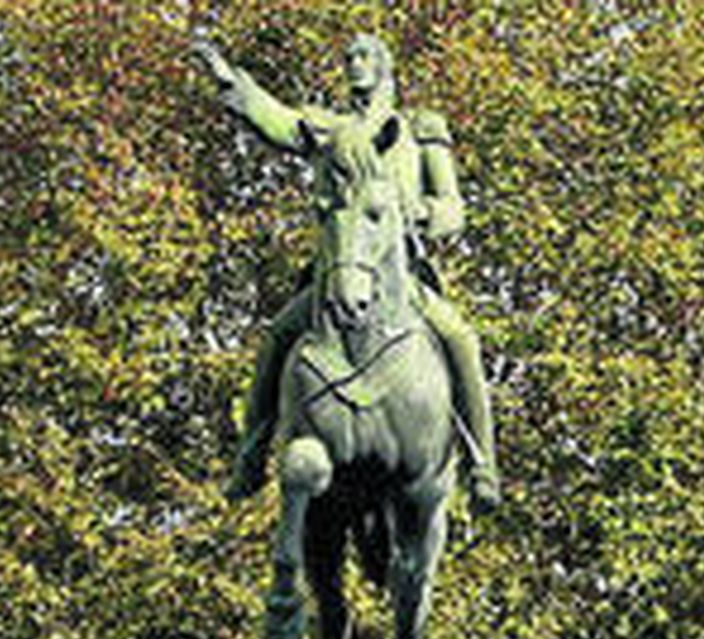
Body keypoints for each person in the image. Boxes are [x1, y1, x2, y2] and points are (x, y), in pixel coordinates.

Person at [193, 33, 500, 509]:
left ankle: (483, 468)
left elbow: (454, 208)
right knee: (278, 336)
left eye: (363, 57)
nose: (354, 66)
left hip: (402, 277)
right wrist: (232, 82)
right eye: (348, 58)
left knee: (460, 337)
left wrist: (420, 214)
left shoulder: (419, 128)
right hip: (335, 274)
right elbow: (279, 121)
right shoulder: (329, 131)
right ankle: (250, 459)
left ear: (383, 67)